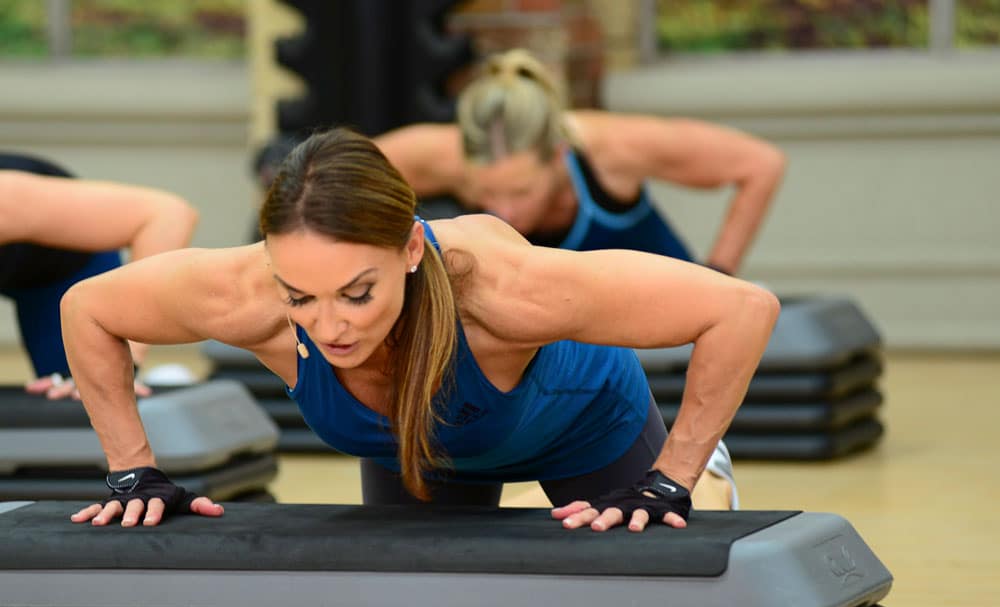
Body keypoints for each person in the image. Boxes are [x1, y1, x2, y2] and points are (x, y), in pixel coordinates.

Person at [64, 127, 778, 532]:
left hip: (582, 427)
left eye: (356, 292)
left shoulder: (502, 289)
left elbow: (741, 309)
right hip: (418, 449)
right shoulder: (241, 296)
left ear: (409, 250)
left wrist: (671, 477)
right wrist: (134, 471)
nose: (331, 325)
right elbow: (88, 308)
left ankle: (711, 476)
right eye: (301, 296)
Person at [375, 49, 786, 275]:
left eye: (520, 191)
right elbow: (329, 175)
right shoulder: (442, 156)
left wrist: (718, 277)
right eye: (486, 194)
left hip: (663, 344)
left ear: (558, 155)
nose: (504, 212)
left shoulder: (612, 148)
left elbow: (760, 163)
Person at [0, 152, 199, 399]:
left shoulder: (7, 197)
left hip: (65, 270)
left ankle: (158, 379)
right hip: (15, 263)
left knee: (93, 392)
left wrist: (127, 358)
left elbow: (170, 215)